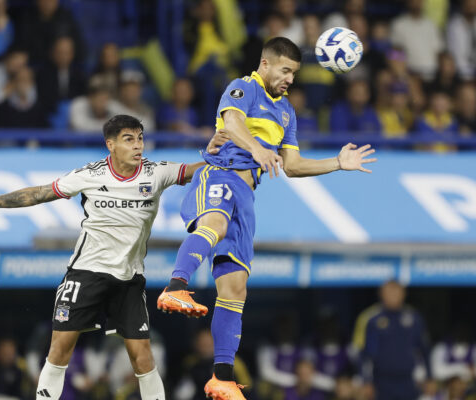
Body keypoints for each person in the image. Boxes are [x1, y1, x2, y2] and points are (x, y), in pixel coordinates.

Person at [156, 37, 377, 400]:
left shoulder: (287, 112)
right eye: (286, 70)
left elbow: (291, 165)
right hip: (221, 174)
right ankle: (176, 286)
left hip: (246, 196)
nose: (290, 78)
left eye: (294, 73)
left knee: (235, 287)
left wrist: (337, 163)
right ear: (266, 64)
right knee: (214, 224)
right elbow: (231, 121)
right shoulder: (244, 87)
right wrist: (257, 147)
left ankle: (222, 377)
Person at [0, 115, 222, 400]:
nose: (138, 145)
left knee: (143, 357)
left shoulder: (157, 172)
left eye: (140, 138)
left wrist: (223, 155)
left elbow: (197, 171)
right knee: (60, 350)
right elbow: (39, 193)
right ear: (111, 144)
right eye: (129, 139)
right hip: (86, 273)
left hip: (129, 279)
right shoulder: (90, 174)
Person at [352, 280, 431, 400]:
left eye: (397, 292)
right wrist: (366, 381)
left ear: (404, 294)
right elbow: (364, 355)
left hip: (408, 380)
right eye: (389, 292)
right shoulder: (372, 320)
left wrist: (429, 377)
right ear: (381, 294)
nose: (393, 296)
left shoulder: (414, 318)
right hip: (381, 381)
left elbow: (424, 350)